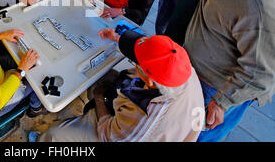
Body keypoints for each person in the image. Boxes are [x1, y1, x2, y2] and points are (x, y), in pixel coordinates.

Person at [184, 0, 275, 142]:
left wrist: (222, 102)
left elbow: (260, 73)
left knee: (194, 136)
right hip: (192, 74)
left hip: (213, 90)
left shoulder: (258, 10)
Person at [29, 29, 204, 142]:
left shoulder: (146, 118)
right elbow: (147, 50)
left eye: (136, 63)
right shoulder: (181, 66)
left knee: (53, 136)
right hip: (158, 121)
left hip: (122, 135)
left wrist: (99, 99)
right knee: (101, 74)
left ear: (149, 81)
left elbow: (109, 135)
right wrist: (117, 38)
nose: (134, 63)